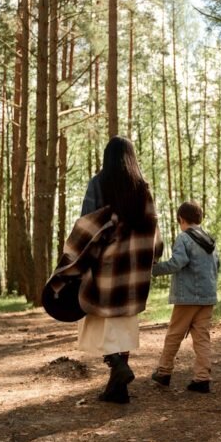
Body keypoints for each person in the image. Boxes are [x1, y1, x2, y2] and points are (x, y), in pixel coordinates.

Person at [78, 136, 162, 404]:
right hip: (135, 268)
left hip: (105, 265)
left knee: (96, 317)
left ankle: (116, 365)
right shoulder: (142, 187)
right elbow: (154, 226)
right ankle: (118, 388)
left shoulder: (99, 182)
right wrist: (154, 256)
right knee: (124, 325)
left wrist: (78, 258)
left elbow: (87, 223)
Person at [150, 201, 220, 393]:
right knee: (202, 337)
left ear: (181, 219)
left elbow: (178, 262)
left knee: (174, 335)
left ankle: (164, 372)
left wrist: (153, 269)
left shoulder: (184, 238)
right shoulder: (210, 239)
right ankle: (202, 378)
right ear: (199, 218)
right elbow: (217, 265)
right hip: (207, 297)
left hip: (187, 297)